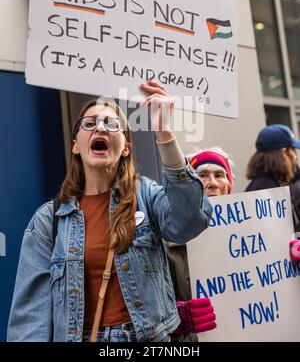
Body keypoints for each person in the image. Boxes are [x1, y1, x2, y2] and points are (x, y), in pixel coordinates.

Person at [7, 80, 212, 343]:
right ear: (75, 146)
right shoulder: (49, 221)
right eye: (89, 124)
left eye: (111, 124)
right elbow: (30, 317)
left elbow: (190, 221)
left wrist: (163, 132)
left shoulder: (146, 196)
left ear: (125, 147)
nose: (100, 127)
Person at [165, 147, 234, 340]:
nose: (212, 183)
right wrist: (178, 319)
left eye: (219, 175)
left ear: (229, 185)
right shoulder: (168, 244)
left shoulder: (257, 233)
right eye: (202, 175)